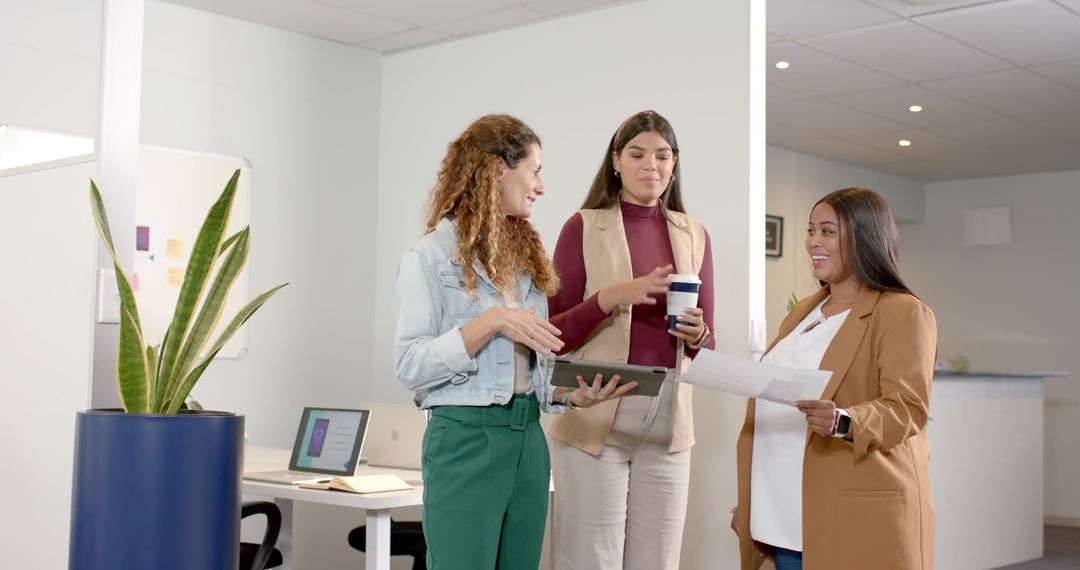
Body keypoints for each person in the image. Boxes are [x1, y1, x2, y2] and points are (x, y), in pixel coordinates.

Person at [393, 114, 636, 570]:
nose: (541, 186)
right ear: (497, 170)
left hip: (527, 441)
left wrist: (570, 395)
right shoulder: (427, 258)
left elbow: (534, 379)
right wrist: (490, 322)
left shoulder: (524, 264)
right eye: (535, 169)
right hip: (465, 441)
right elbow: (410, 365)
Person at [731, 187, 938, 570]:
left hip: (845, 511)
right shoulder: (804, 312)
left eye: (827, 231)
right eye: (810, 231)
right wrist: (753, 499)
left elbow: (907, 409)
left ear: (864, 237)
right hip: (780, 513)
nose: (813, 242)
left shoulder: (902, 312)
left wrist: (844, 420)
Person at [546, 110, 716, 570]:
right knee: (589, 561)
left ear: (674, 164)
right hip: (595, 411)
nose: (651, 166)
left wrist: (699, 334)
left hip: (667, 421)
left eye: (663, 156)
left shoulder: (694, 232)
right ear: (616, 161)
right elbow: (554, 336)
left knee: (658, 561)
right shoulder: (582, 226)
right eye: (638, 154)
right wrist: (608, 298)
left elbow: (707, 344)